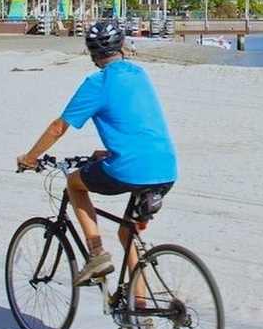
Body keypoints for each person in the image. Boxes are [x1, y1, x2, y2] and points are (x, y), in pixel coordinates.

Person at [17, 18, 177, 287]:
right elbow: (135, 124)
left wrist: (30, 158)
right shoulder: (139, 74)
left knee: (74, 183)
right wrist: (109, 152)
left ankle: (96, 253)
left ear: (92, 54)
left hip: (130, 169)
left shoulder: (97, 83)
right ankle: (140, 313)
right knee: (128, 233)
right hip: (166, 168)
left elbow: (58, 128)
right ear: (122, 46)